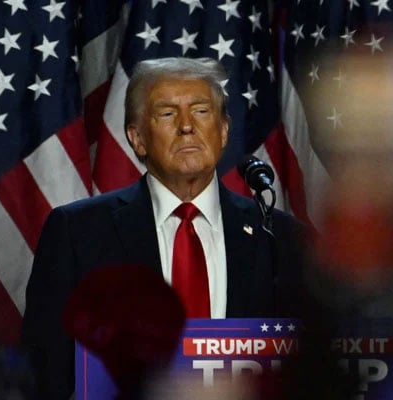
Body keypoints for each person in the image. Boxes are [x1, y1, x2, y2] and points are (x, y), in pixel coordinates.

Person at [21, 57, 307, 399]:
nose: (187, 126)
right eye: (168, 113)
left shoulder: (280, 237)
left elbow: (308, 367)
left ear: (224, 132)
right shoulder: (77, 232)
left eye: (201, 111)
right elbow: (45, 369)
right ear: (137, 138)